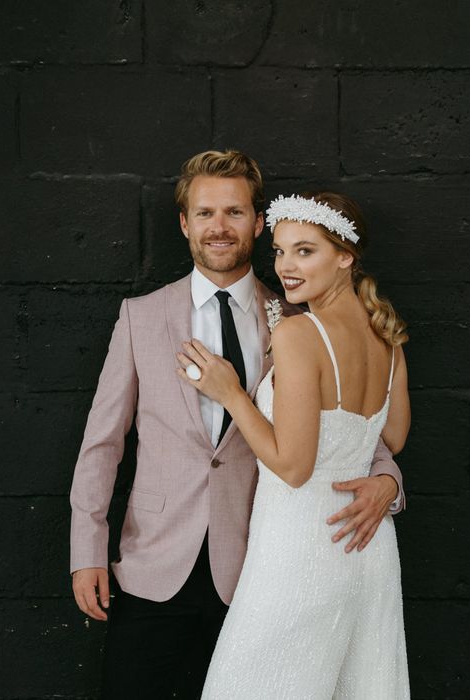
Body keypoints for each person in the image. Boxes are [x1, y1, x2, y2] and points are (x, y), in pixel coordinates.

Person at [69, 151, 406, 700]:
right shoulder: (141, 316)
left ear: (257, 222)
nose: (219, 227)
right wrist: (87, 550)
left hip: (257, 569)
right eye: (204, 213)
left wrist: (389, 484)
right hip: (152, 566)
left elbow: (352, 430)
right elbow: (102, 445)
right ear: (185, 224)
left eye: (234, 212)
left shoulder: (298, 318)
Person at [178, 191, 411, 698]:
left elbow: (293, 466)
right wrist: (381, 477)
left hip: (300, 548)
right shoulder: (384, 335)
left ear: (345, 256)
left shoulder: (300, 334)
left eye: (305, 251)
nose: (285, 266)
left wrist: (232, 394)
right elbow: (391, 436)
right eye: (280, 251)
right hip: (366, 552)